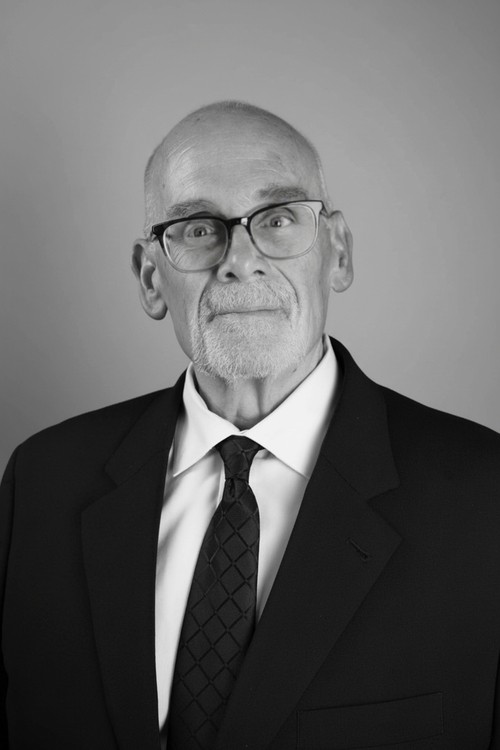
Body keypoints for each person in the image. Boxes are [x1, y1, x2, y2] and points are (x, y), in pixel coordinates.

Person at [1, 100, 500, 750]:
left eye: (278, 219)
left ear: (338, 252)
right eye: (197, 228)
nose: (240, 259)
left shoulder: (484, 498)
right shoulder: (41, 483)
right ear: (151, 278)